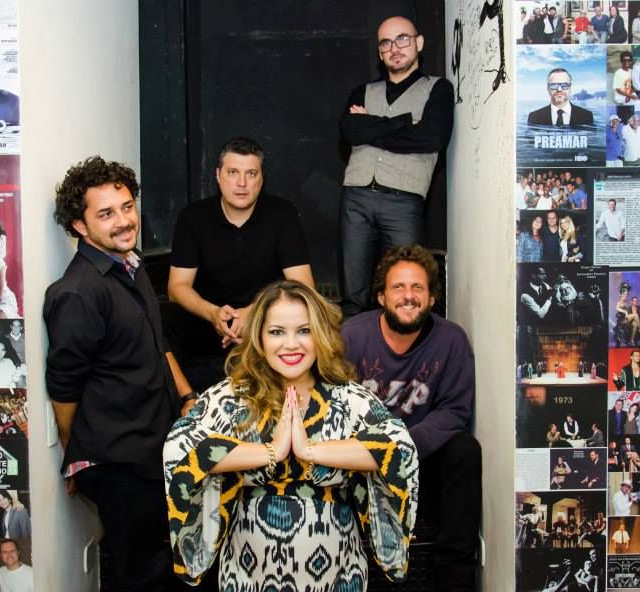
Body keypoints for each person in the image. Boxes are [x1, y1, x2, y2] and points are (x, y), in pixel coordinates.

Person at [164, 280, 419, 590]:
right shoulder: (233, 397)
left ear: (320, 335)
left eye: (304, 330)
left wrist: (310, 450)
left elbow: (399, 449)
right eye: (276, 332)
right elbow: (180, 449)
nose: (291, 344)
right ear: (259, 337)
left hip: (339, 576)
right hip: (248, 576)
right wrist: (271, 451)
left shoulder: (346, 397)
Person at [45, 156, 194, 591]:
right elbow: (64, 386)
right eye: (106, 214)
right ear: (79, 225)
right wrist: (75, 452)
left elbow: (157, 341)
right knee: (143, 575)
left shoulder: (130, 264)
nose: (124, 221)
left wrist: (186, 396)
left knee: (167, 563)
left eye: (127, 207)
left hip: (151, 445)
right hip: (118, 462)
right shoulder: (78, 293)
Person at [341, 245, 476, 591]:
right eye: (398, 287)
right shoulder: (351, 336)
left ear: (432, 298)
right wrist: (367, 451)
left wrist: (400, 446)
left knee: (464, 450)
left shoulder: (452, 340)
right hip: (359, 460)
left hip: (419, 456)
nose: (408, 296)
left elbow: (454, 412)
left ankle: (454, 580)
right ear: (381, 297)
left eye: (418, 287)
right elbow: (333, 403)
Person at [166, 138, 313, 387]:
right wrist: (213, 314)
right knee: (163, 323)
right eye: (233, 172)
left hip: (266, 325)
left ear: (261, 179)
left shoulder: (282, 214)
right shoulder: (194, 216)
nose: (242, 183)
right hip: (207, 326)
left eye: (251, 174)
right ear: (218, 175)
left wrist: (253, 313)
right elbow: (176, 288)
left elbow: (303, 284)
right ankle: (189, 399)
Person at [339, 16, 453, 317]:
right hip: (356, 198)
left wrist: (370, 126)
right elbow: (349, 132)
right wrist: (404, 123)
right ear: (380, 52)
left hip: (404, 202)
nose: (394, 48)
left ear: (419, 43)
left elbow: (431, 138)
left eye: (403, 39)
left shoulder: (438, 89)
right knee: (353, 296)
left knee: (407, 292)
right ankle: (353, 349)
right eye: (386, 43)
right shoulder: (362, 91)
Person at [527, 68, 594, 127]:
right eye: (554, 85)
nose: (559, 89)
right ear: (548, 88)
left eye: (565, 85)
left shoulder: (587, 116)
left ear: (570, 88)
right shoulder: (534, 117)